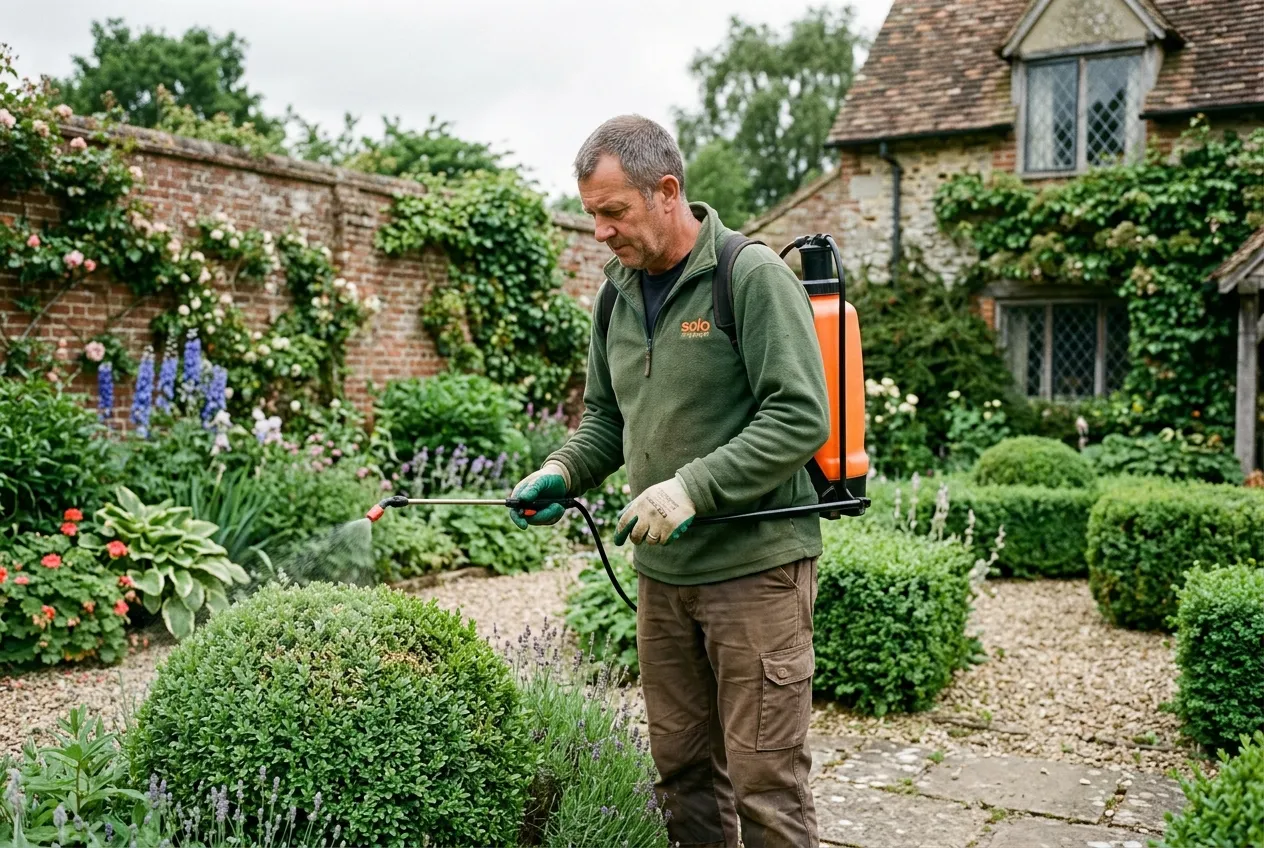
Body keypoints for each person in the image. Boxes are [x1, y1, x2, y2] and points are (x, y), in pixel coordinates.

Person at [509, 114, 831, 848]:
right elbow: (604, 418)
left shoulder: (746, 276)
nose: (600, 233)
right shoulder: (616, 294)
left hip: (756, 570)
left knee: (766, 787)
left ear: (666, 191)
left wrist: (692, 488)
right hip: (664, 576)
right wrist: (560, 470)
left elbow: (800, 415)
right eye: (592, 215)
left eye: (613, 212)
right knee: (681, 773)